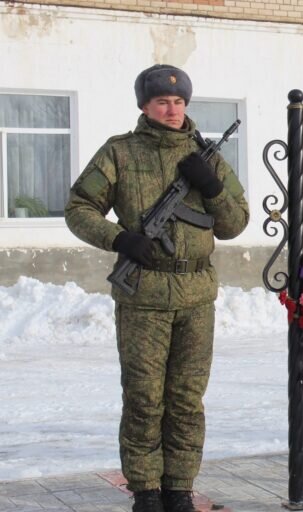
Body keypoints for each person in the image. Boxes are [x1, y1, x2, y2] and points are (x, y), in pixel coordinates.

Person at [64, 64, 249, 512]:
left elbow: (234, 223)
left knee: (186, 398)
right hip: (143, 295)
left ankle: (180, 487)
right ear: (145, 105)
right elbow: (79, 207)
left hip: (196, 295)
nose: (171, 109)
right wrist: (120, 238)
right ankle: (146, 489)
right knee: (145, 397)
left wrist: (213, 188)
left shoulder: (208, 157)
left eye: (179, 101)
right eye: (162, 101)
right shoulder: (120, 153)